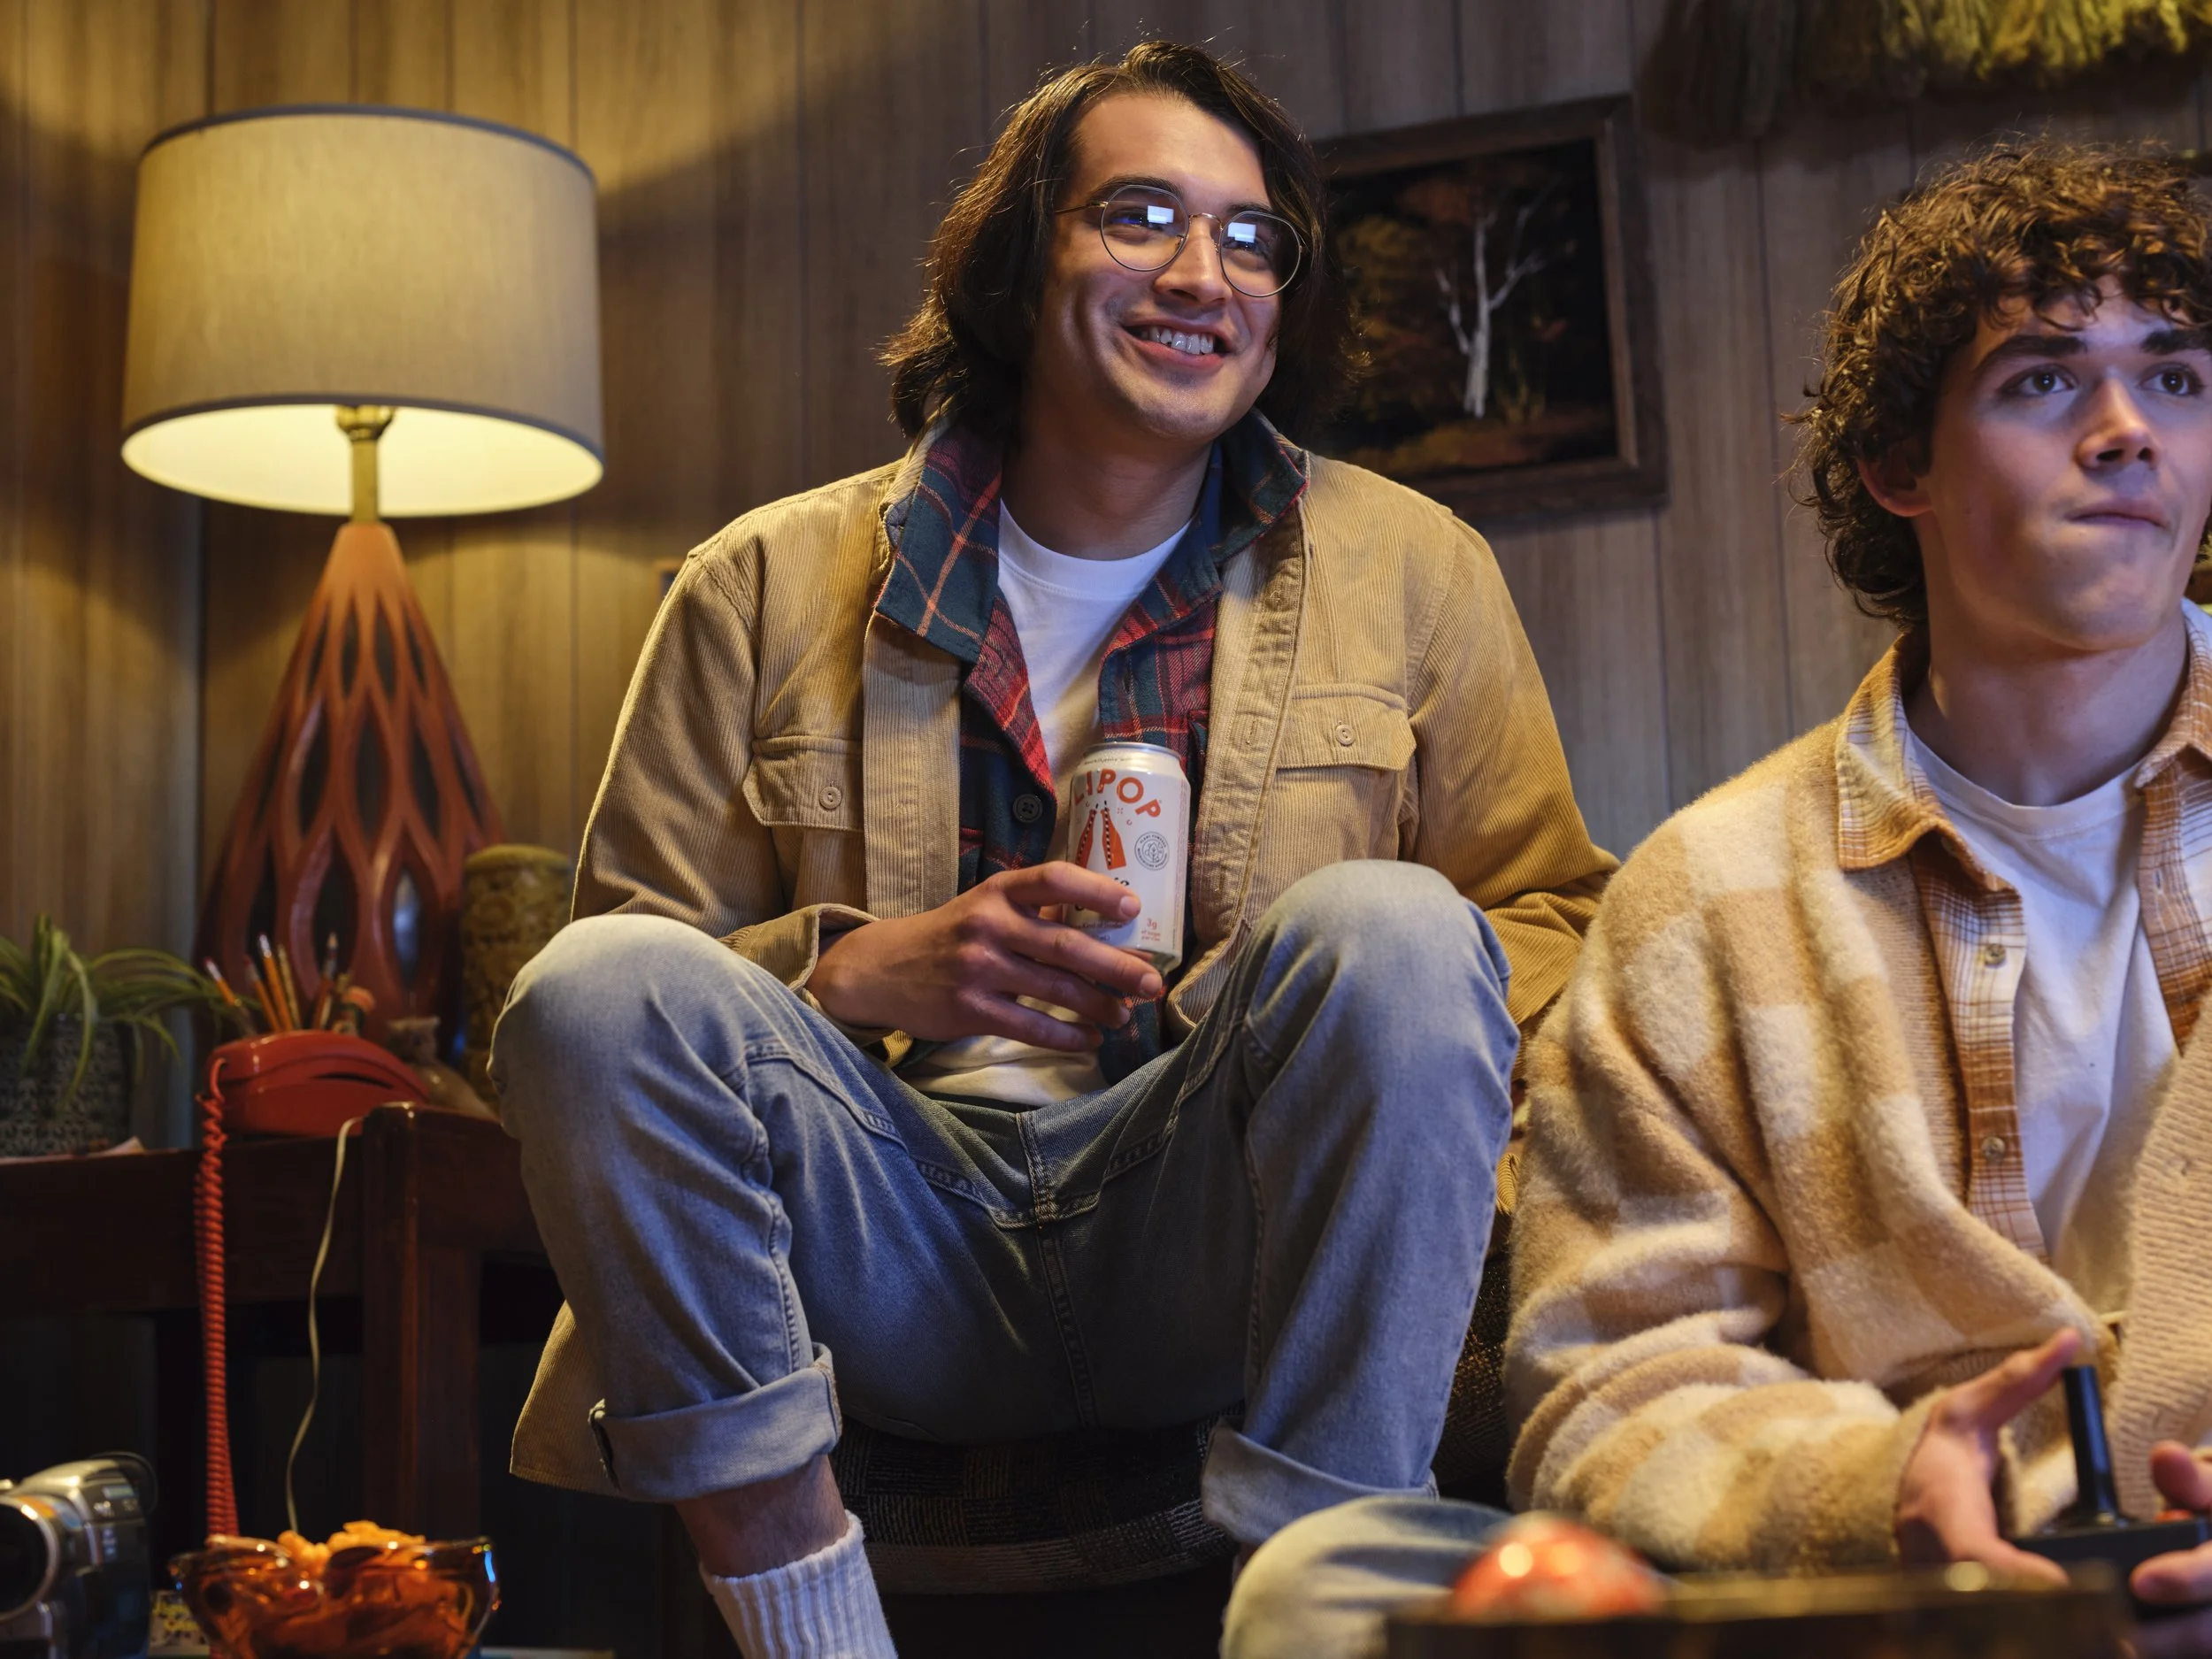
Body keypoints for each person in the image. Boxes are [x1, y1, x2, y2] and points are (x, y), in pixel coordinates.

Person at [490, 40, 1612, 1659]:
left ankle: (1323, 1610)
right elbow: (618, 1007)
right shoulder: (758, 580)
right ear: (1022, 264)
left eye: (1250, 238)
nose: (1200, 272)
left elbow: (1559, 909)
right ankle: (810, 1615)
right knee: (589, 985)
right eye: (1139, 214)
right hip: (881, 1238)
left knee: (1388, 925)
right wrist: (852, 970)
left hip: (1209, 1230)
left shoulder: (1413, 567)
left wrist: (1277, 999)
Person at [1226, 139, 2212, 1658]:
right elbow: (1610, 1388)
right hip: (1892, 1605)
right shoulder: (1707, 896)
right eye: (2042, 381)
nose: (2129, 431)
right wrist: (1881, 1482)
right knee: (1320, 1588)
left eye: (2177, 377)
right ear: (1903, 466)